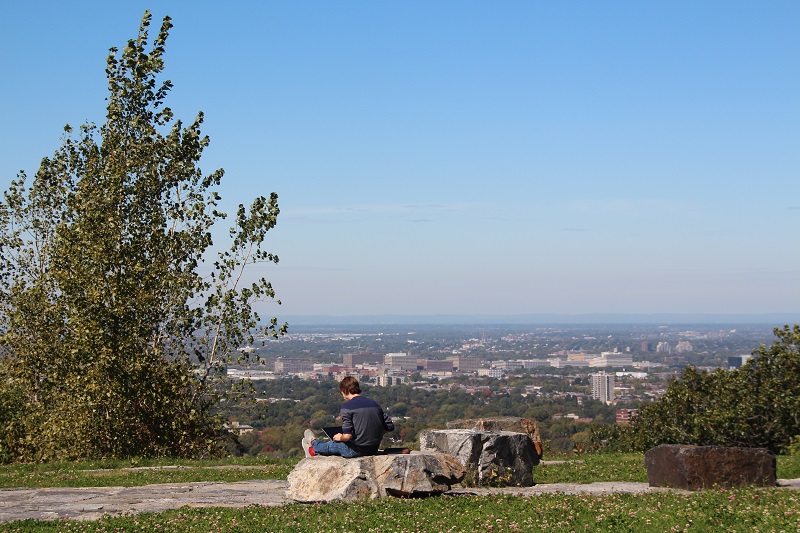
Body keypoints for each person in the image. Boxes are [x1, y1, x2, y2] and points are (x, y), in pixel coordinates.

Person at [302, 376, 394, 458]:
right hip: (373, 448)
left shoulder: (347, 407)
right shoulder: (374, 404)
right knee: (336, 444)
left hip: (356, 450)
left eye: (342, 393)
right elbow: (390, 426)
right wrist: (372, 433)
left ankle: (313, 446)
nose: (343, 396)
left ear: (345, 391)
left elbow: (347, 436)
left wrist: (340, 437)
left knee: (332, 445)